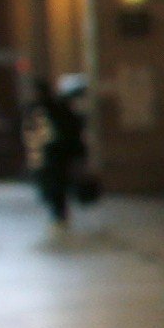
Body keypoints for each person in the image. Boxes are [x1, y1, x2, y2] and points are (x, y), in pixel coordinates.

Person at [29, 75, 93, 231]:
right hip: (58, 155)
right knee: (56, 184)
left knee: (54, 184)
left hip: (53, 155)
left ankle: (58, 212)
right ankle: (59, 212)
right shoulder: (58, 108)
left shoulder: (42, 109)